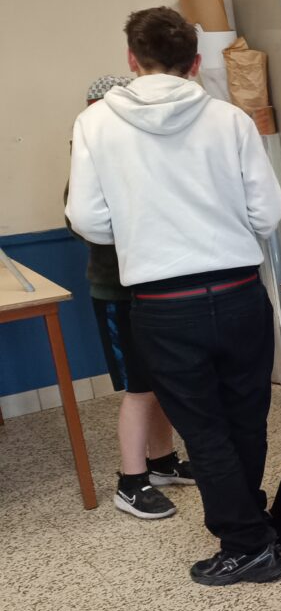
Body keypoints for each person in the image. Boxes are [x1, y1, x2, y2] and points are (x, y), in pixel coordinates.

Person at [67, 7, 281, 585]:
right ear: (195, 61)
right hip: (238, 289)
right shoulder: (230, 120)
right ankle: (251, 524)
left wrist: (143, 233)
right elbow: (267, 213)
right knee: (247, 417)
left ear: (132, 59)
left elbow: (87, 220)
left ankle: (246, 542)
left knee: (204, 427)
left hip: (163, 302)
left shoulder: (96, 123)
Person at [66, 75, 195, 521]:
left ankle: (162, 462)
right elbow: (85, 224)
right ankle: (131, 480)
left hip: (150, 289)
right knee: (140, 388)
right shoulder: (86, 167)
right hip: (117, 294)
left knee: (157, 383)